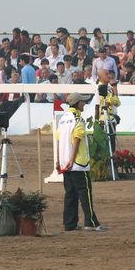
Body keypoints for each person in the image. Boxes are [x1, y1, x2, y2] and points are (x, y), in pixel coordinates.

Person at [56, 93, 107, 232]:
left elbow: (58, 139)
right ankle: (91, 222)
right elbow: (77, 139)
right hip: (78, 163)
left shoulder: (63, 118)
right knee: (85, 193)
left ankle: (69, 223)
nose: (84, 104)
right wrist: (72, 159)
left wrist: (58, 160)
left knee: (70, 194)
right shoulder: (78, 119)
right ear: (77, 103)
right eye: (82, 102)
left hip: (64, 162)